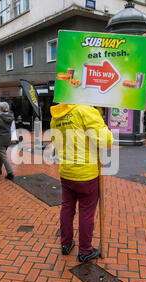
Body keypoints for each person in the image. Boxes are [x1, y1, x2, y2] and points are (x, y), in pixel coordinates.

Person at [50, 103, 113, 263]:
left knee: (67, 208)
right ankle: (85, 251)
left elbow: (54, 141)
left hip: (66, 171)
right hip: (86, 174)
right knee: (86, 212)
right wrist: (102, 124)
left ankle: (65, 243)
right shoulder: (86, 111)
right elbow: (106, 141)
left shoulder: (56, 115)